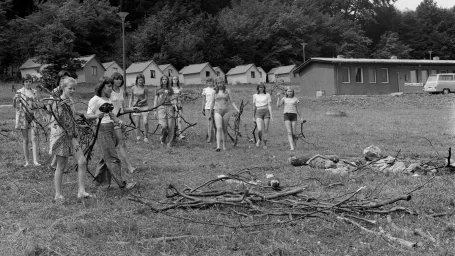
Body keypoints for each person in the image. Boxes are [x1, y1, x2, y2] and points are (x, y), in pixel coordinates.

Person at [48, 77, 96, 200]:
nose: (72, 90)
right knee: (61, 165)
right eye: (70, 88)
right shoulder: (57, 101)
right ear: (63, 88)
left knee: (82, 161)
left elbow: (72, 116)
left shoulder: (70, 100)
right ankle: (57, 195)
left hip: (71, 135)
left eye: (74, 88)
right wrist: (61, 106)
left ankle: (81, 191)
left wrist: (82, 119)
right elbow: (57, 118)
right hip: (60, 136)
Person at [87, 77, 136, 189]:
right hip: (102, 129)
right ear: (102, 87)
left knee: (105, 158)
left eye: (111, 86)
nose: (111, 88)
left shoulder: (108, 99)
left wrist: (119, 121)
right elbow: (88, 115)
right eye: (109, 86)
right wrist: (96, 116)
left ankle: (99, 184)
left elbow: (111, 115)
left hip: (111, 128)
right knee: (113, 158)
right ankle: (122, 184)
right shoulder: (95, 99)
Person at [110, 72, 136, 173]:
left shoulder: (121, 91)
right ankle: (129, 167)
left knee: (118, 144)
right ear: (112, 80)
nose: (119, 80)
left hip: (120, 120)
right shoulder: (108, 91)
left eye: (120, 79)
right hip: (112, 120)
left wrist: (133, 109)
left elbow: (123, 109)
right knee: (120, 143)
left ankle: (113, 166)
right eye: (116, 79)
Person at [13, 74, 40, 166]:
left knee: (34, 138)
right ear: (23, 82)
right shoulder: (19, 92)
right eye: (26, 81)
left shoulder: (35, 92)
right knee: (25, 140)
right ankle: (27, 162)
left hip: (33, 116)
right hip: (23, 117)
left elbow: (38, 105)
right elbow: (15, 106)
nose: (28, 83)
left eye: (29, 81)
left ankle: (35, 161)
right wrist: (15, 99)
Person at [209, 79, 240, 151]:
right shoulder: (214, 92)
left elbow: (232, 101)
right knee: (219, 128)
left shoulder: (227, 91)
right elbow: (212, 103)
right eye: (218, 83)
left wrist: (237, 109)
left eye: (221, 82)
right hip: (217, 111)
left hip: (226, 111)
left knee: (224, 129)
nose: (220, 84)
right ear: (216, 84)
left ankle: (224, 146)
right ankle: (218, 146)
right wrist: (210, 113)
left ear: (223, 83)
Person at [154, 75, 176, 147]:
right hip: (161, 108)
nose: (164, 80)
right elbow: (155, 100)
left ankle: (169, 142)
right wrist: (155, 110)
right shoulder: (158, 89)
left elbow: (173, 98)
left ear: (167, 80)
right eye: (163, 79)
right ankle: (163, 139)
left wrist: (175, 105)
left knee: (170, 126)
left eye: (165, 79)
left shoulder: (170, 89)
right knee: (163, 126)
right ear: (161, 80)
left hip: (169, 107)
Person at [129, 74, 149, 143]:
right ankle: (138, 138)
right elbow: (131, 98)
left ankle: (146, 137)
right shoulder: (133, 88)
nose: (141, 81)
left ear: (144, 80)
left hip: (144, 106)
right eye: (139, 79)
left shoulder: (145, 88)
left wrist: (140, 102)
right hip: (136, 107)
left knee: (145, 122)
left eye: (142, 79)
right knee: (137, 123)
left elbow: (146, 98)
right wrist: (130, 107)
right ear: (137, 80)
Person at [253, 82, 273, 149]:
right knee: (259, 129)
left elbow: (269, 106)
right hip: (258, 112)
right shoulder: (255, 96)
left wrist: (271, 116)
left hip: (266, 112)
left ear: (264, 88)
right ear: (258, 88)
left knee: (266, 129)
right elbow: (254, 107)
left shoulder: (267, 95)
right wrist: (253, 116)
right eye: (259, 87)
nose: (261, 88)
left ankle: (264, 144)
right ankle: (259, 139)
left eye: (262, 87)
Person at [201, 77, 215, 143]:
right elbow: (203, 100)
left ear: (213, 82)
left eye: (211, 81)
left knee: (214, 124)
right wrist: (202, 108)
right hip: (207, 108)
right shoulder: (205, 90)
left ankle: (215, 137)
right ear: (206, 83)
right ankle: (209, 138)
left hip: (215, 108)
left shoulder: (215, 89)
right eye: (208, 81)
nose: (209, 82)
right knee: (209, 123)